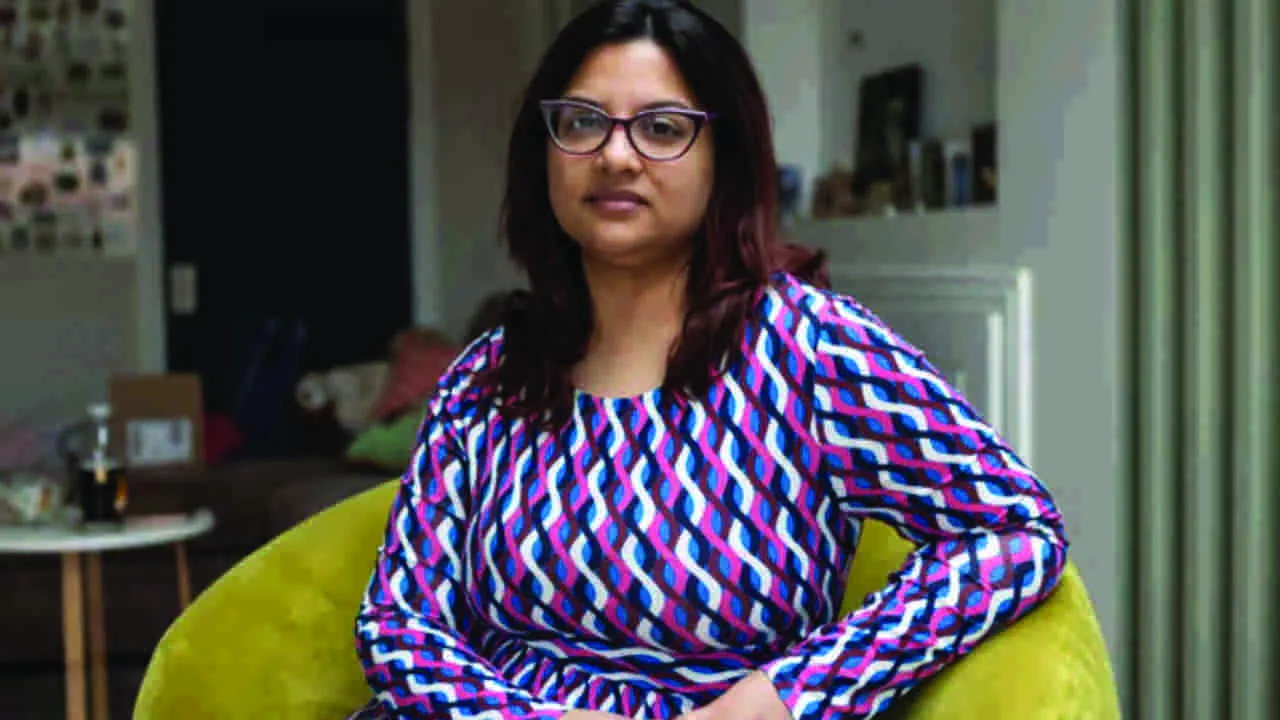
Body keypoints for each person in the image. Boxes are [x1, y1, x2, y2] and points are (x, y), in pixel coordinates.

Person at [350, 1, 1068, 718]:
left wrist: (787, 695)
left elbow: (1014, 532)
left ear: (725, 159)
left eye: (662, 128)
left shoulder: (811, 349)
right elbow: (398, 623)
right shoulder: (488, 375)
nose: (615, 155)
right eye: (582, 122)